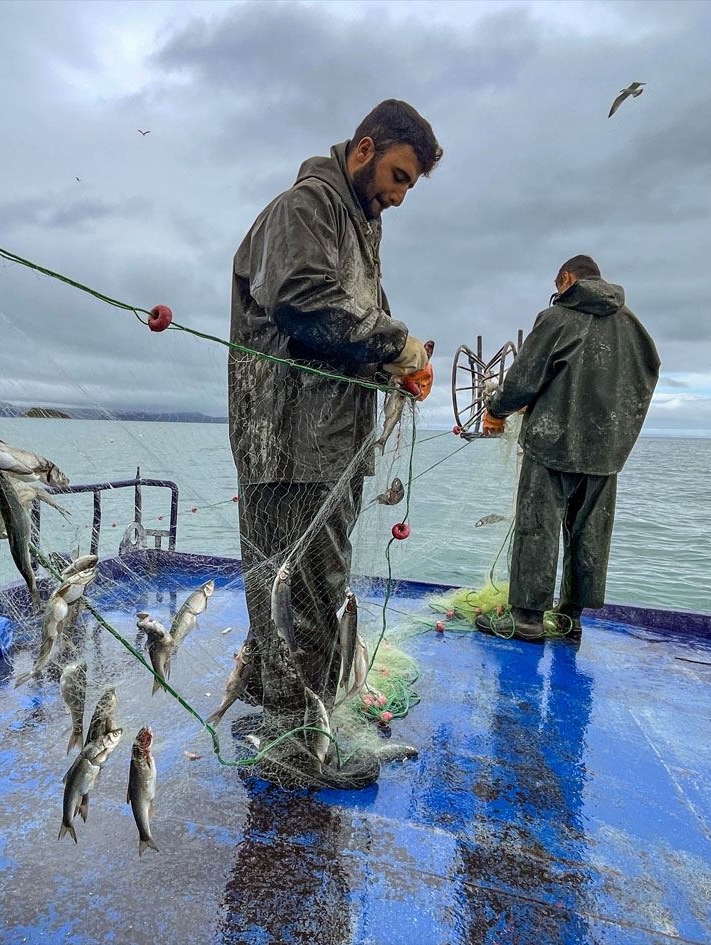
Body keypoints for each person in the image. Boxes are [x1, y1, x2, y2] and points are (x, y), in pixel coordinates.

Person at [227, 99, 440, 787]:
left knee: (305, 581)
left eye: (410, 185)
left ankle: (273, 702)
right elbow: (300, 296)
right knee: (304, 588)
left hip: (330, 439)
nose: (399, 196)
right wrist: (399, 344)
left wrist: (393, 367)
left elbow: (352, 326)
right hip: (288, 436)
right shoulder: (307, 207)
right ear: (364, 148)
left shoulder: (358, 225)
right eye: (398, 176)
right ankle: (295, 745)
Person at [480, 255, 659, 641]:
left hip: (552, 445)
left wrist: (495, 410)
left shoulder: (557, 317)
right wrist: (619, 432)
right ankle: (570, 618)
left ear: (566, 278)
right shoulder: (632, 325)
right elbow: (647, 375)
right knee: (590, 534)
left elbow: (525, 377)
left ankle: (527, 619)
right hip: (606, 452)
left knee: (537, 527)